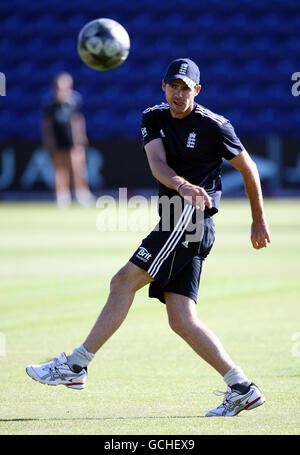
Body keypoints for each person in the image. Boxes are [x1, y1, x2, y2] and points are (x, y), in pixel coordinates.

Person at [27, 58, 271, 417]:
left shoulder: (215, 125)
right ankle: (242, 388)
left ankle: (75, 366)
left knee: (122, 282)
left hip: (191, 222)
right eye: (173, 85)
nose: (178, 92)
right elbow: (157, 164)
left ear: (197, 91)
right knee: (181, 320)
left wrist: (258, 220)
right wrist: (182, 184)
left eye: (186, 87)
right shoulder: (152, 117)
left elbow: (248, 167)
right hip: (175, 217)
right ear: (164, 86)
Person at [41, 72, 95, 208]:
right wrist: (48, 140)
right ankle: (62, 196)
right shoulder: (50, 103)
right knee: (60, 169)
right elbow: (47, 124)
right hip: (58, 139)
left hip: (73, 139)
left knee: (78, 167)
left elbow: (78, 119)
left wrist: (81, 136)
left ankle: (82, 193)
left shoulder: (75, 100)